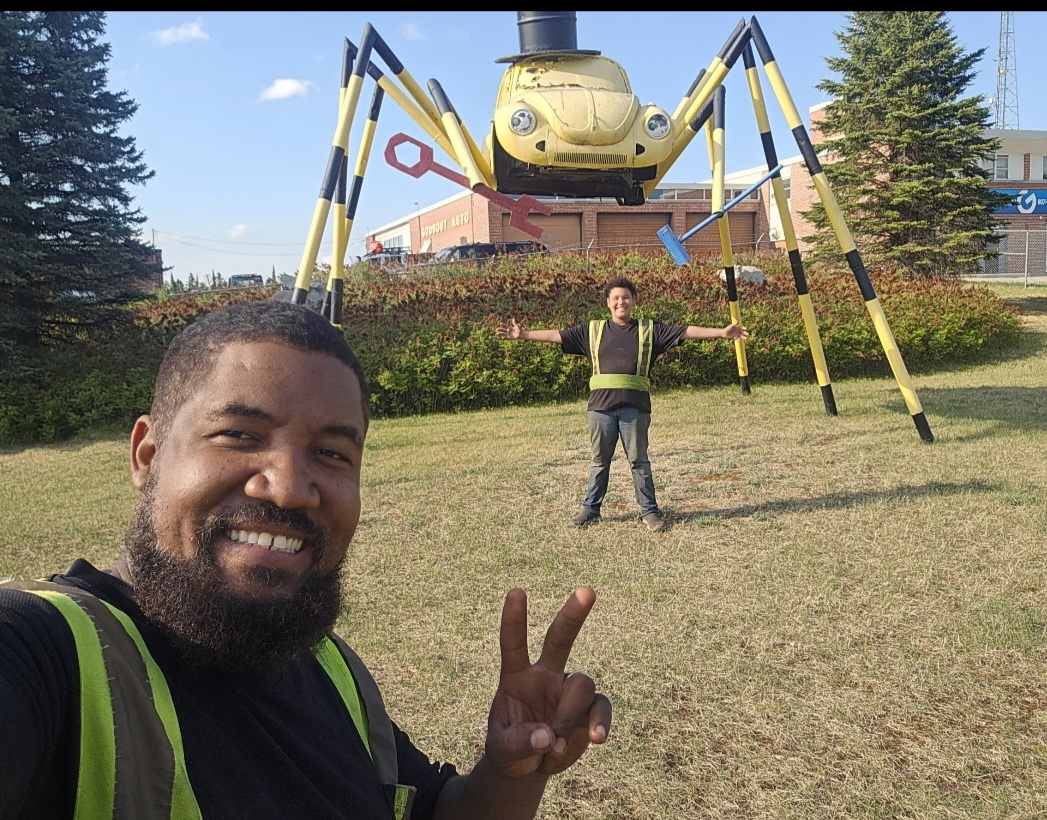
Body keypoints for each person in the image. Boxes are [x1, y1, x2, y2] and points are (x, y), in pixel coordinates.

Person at [0, 300, 611, 820]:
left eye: (331, 453)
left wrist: (511, 773)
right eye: (239, 435)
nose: (291, 488)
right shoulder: (48, 656)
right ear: (147, 455)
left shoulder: (331, 669)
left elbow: (435, 811)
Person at [496, 276, 748, 532]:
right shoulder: (592, 330)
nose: (621, 302)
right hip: (600, 409)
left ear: (633, 301)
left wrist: (722, 332)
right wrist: (523, 334)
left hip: (635, 409)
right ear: (608, 302)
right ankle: (590, 509)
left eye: (626, 297)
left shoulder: (650, 329)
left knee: (639, 461)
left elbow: (686, 331)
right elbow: (556, 335)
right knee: (599, 461)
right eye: (615, 298)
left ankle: (649, 512)